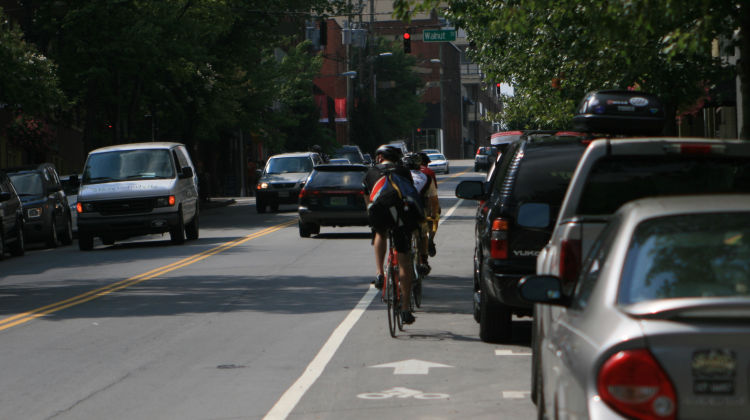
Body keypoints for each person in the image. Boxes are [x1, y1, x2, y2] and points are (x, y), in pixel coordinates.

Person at [364, 144, 417, 325]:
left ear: (380, 157)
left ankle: (379, 273)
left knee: (380, 233)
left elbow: (367, 197)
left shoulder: (371, 172)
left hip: (378, 212)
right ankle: (404, 309)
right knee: (404, 261)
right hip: (400, 215)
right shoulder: (403, 171)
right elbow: (411, 193)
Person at [418, 152, 440, 258]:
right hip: (425, 203)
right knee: (434, 217)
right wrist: (434, 211)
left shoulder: (406, 172)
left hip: (408, 204)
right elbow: (433, 194)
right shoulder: (429, 172)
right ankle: (431, 238)